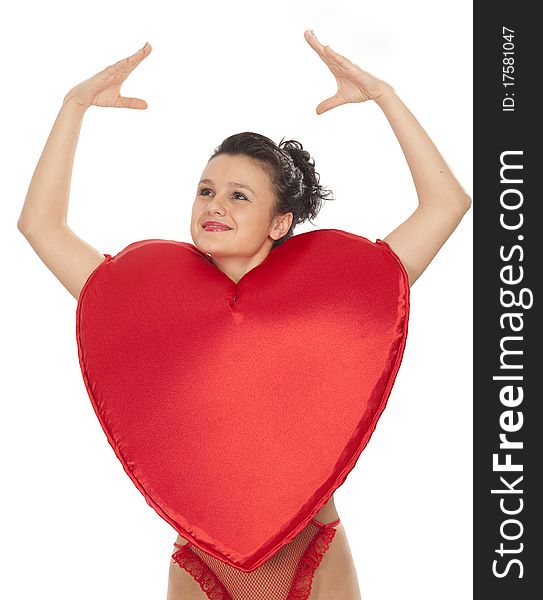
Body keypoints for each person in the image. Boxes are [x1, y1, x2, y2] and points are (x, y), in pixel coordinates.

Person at [17, 30, 471, 600]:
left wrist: (384, 96)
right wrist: (73, 106)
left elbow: (447, 204)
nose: (214, 205)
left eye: (239, 196)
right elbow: (41, 226)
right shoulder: (145, 295)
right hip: (203, 558)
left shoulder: (333, 291)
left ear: (279, 223)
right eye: (206, 190)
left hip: (312, 547)